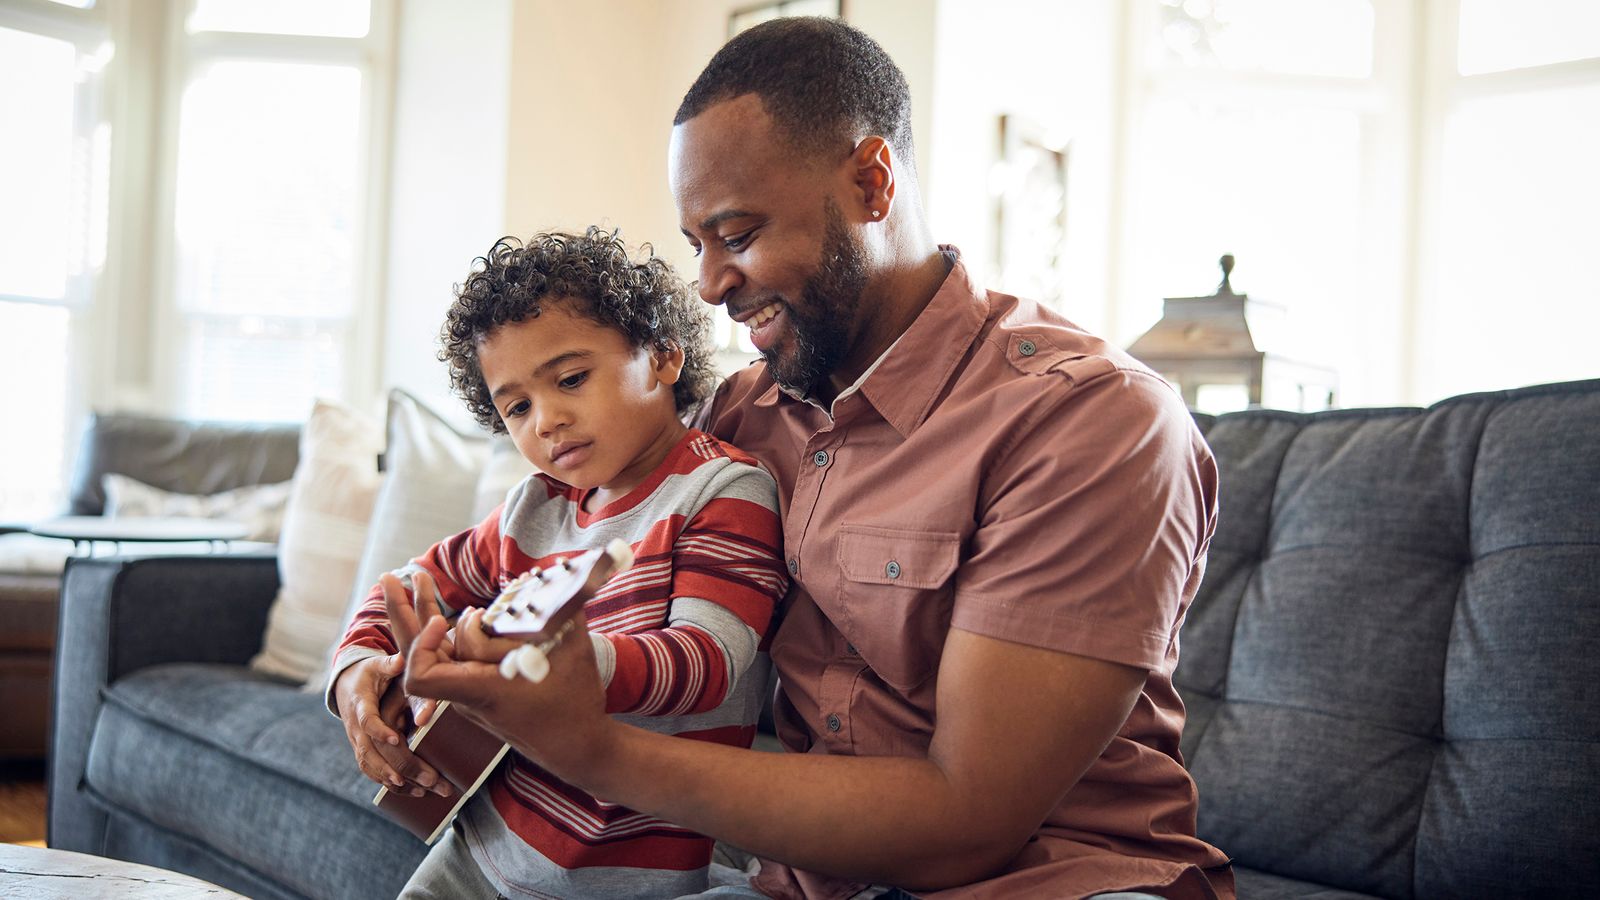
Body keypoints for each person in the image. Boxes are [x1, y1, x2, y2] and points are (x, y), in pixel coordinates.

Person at [403, 18, 1234, 900]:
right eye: (697, 246)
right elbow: (562, 543)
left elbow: (968, 820)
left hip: (1050, 883)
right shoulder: (743, 419)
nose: (710, 284)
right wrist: (391, 672)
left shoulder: (1091, 421)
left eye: (737, 232)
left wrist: (597, 750)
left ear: (872, 182)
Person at [327, 228, 788, 899]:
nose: (546, 419)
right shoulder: (533, 508)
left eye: (571, 379)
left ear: (662, 355)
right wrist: (354, 676)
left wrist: (571, 664)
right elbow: (406, 582)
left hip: (644, 878)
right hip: (480, 853)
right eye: (516, 406)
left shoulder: (723, 490)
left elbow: (708, 660)